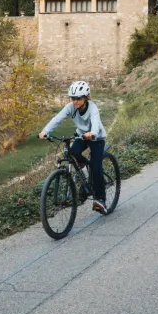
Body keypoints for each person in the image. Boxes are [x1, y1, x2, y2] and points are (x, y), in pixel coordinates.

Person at [39, 81, 108, 214]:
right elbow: (57, 118)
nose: (75, 101)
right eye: (73, 98)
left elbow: (95, 122)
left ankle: (100, 199)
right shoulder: (70, 107)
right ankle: (86, 178)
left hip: (96, 138)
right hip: (80, 136)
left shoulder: (92, 108)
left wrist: (92, 133)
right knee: (71, 154)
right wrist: (45, 131)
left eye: (78, 98)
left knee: (96, 166)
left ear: (86, 97)